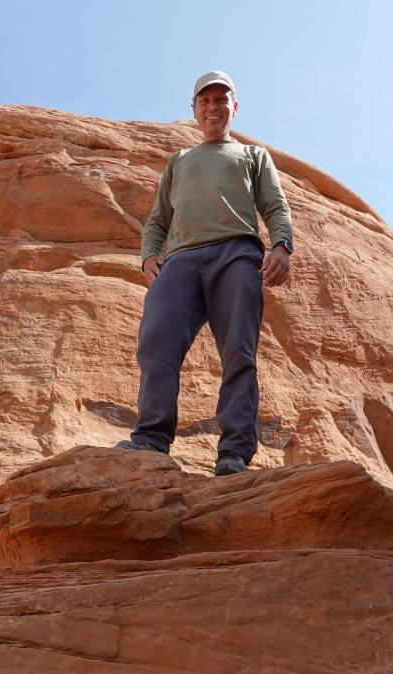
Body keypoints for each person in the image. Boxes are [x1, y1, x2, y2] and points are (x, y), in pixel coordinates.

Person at [117, 71, 294, 475]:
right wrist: (148, 257)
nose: (213, 107)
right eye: (205, 101)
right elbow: (157, 221)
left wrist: (282, 245)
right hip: (180, 261)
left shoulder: (253, 156)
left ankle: (233, 452)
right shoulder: (179, 161)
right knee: (156, 344)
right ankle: (151, 439)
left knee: (238, 352)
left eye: (221, 100)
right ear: (194, 110)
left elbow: (275, 206)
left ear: (235, 107)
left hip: (236, 253)